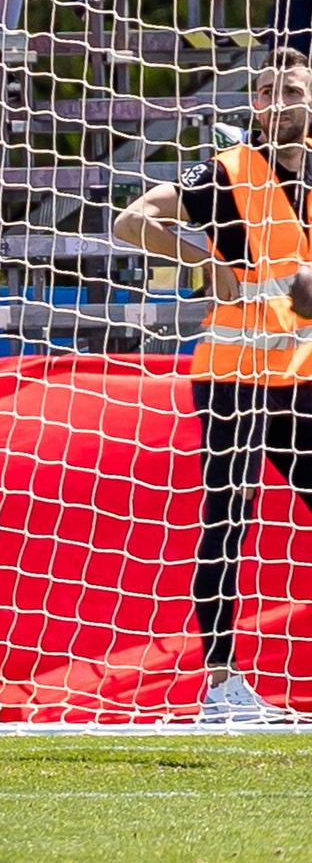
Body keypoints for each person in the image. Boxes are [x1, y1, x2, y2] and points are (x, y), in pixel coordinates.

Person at [113, 49, 312, 722]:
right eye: (266, 90)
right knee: (227, 516)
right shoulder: (225, 172)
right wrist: (206, 261)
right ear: (253, 104)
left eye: (290, 88)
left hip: (300, 371)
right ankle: (222, 685)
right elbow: (132, 219)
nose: (278, 99)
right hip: (232, 373)